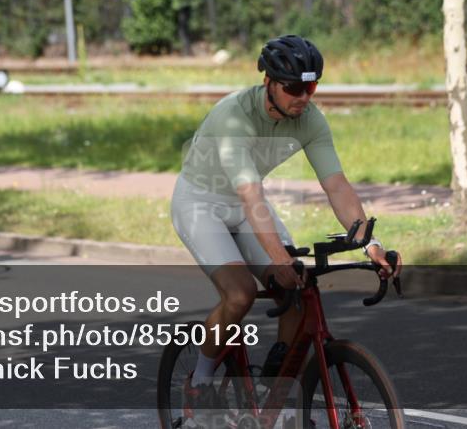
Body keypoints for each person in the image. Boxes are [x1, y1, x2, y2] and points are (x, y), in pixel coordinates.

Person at [171, 35, 402, 419]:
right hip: (201, 204)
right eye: (293, 88)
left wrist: (370, 243)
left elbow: (336, 184)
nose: (303, 97)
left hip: (246, 206)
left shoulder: (310, 119)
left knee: (297, 286)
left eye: (310, 87)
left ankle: (273, 398)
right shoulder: (234, 116)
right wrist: (278, 257)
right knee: (240, 294)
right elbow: (251, 195)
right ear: (269, 83)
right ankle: (200, 380)